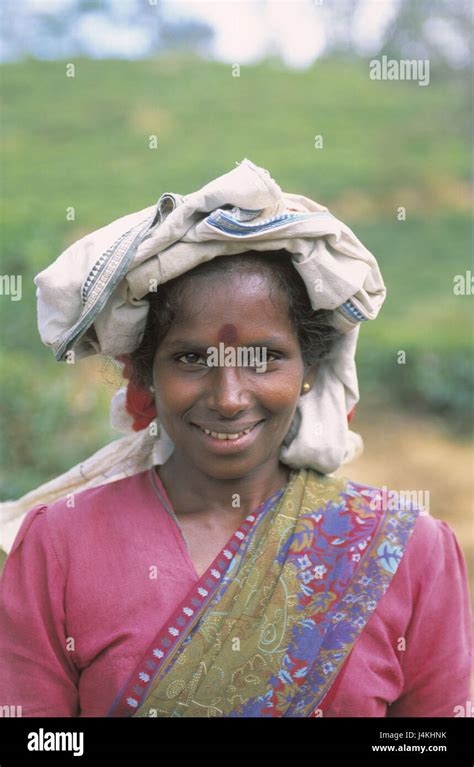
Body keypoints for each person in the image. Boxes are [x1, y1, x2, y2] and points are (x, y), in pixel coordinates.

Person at [0, 160, 472, 718]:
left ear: (311, 368)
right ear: (146, 373)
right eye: (192, 359)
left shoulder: (406, 550)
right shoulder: (59, 548)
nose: (228, 398)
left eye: (264, 358)